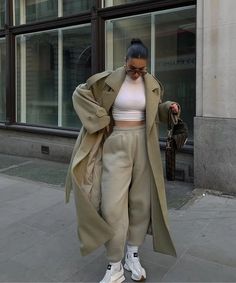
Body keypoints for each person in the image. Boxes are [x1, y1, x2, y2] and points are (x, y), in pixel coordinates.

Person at [65, 38, 180, 283]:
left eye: (142, 69)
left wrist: (168, 107)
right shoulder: (107, 80)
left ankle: (132, 255)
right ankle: (114, 264)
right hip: (116, 143)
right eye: (132, 69)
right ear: (124, 61)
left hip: (144, 145)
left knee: (141, 203)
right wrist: (99, 118)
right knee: (112, 206)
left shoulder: (152, 83)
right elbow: (79, 94)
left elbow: (155, 109)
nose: (137, 74)